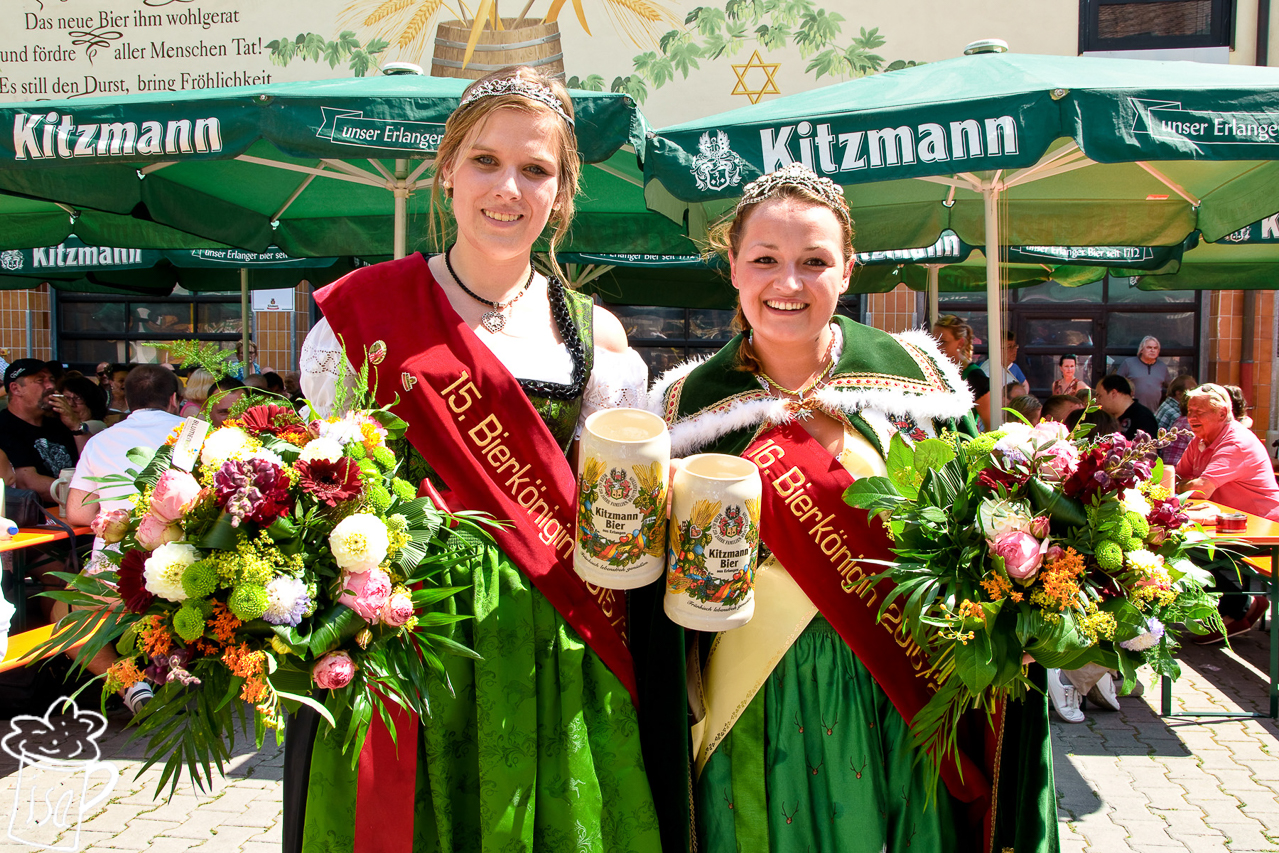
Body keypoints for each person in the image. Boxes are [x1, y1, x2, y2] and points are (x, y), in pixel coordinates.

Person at [286, 66, 660, 853]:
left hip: (551, 632)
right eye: (486, 161)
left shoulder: (599, 339)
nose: (508, 188)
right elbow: (319, 484)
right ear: (446, 171)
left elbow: (611, 513)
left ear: (560, 195)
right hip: (405, 628)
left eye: (535, 169)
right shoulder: (360, 315)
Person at [649, 164, 1056, 853]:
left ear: (847, 271)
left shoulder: (917, 390)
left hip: (897, 696)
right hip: (749, 707)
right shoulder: (681, 407)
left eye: (814, 261)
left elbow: (981, 541)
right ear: (733, 268)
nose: (788, 282)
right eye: (765, 260)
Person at [61, 365, 185, 714]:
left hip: (115, 570)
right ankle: (170, 676)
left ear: (127, 401)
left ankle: (130, 685)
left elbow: (79, 515)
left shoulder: (101, 441)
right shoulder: (196, 434)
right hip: (185, 561)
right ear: (174, 399)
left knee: (63, 616)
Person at [1176, 384, 1277, 641]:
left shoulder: (1236, 441)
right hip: (1231, 525)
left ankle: (1238, 610)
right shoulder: (1201, 440)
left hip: (1264, 529)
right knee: (1178, 543)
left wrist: (1184, 486)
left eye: (1200, 411)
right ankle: (1241, 607)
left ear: (1222, 413)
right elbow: (1176, 478)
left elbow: (1199, 490)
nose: (1192, 417)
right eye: (1190, 411)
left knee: (1182, 548)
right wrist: (1183, 485)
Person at [0, 359, 89, 503]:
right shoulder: (4, 426)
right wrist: (90, 494)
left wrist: (75, 426)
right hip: (39, 518)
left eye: (52, 379)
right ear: (16, 389)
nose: (51, 386)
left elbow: (93, 462)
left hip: (74, 509)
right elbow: (28, 484)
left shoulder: (60, 423)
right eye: (40, 380)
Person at [932, 314, 990, 429]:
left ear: (960, 343)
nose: (936, 347)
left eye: (943, 342)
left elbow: (989, 422)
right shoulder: (932, 370)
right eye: (933, 341)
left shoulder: (974, 376)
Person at [1094, 375, 1159, 442]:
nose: (1097, 401)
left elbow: (1150, 450)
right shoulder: (1108, 417)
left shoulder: (1143, 418)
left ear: (1113, 393)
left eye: (1099, 396)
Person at [1117, 336, 1171, 411]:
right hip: (1131, 411)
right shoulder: (1128, 363)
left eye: (1155, 348)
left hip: (1154, 412)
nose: (1152, 350)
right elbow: (1116, 384)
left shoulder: (1162, 367)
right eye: (1149, 347)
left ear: (1158, 351)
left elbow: (1171, 387)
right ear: (1141, 350)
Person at [980, 331, 1029, 397]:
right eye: (1009, 347)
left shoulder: (1005, 367)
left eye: (1015, 346)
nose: (1014, 350)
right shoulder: (990, 373)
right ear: (996, 350)